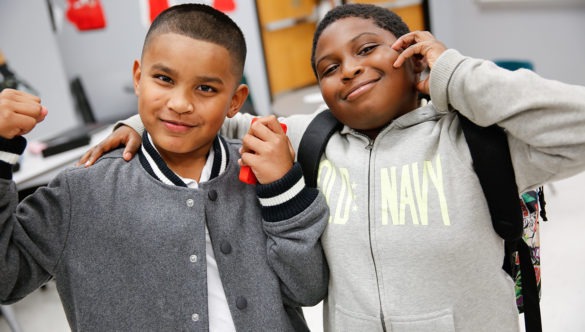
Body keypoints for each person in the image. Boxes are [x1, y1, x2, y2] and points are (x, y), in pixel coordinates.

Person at [79, 3, 585, 332]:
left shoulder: (476, 141)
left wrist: (453, 71)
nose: (348, 69)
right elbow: (207, 113)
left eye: (367, 49)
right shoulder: (311, 140)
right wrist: (136, 123)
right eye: (328, 68)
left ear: (412, 58)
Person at [0, 4, 329, 332]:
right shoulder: (83, 192)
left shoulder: (263, 174)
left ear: (235, 100)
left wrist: (282, 189)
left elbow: (308, 289)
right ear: (138, 78)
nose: (180, 103)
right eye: (163, 79)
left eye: (206, 88)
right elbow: (6, 278)